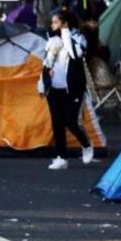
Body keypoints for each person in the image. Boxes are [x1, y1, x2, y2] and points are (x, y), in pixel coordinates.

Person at [42, 11, 93, 170]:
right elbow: (46, 62)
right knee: (57, 123)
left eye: (55, 22)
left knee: (70, 121)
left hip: (72, 89)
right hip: (54, 89)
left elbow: (75, 54)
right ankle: (61, 157)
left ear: (65, 24)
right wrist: (46, 76)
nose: (52, 26)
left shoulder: (78, 37)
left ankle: (86, 145)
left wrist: (65, 34)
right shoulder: (52, 40)